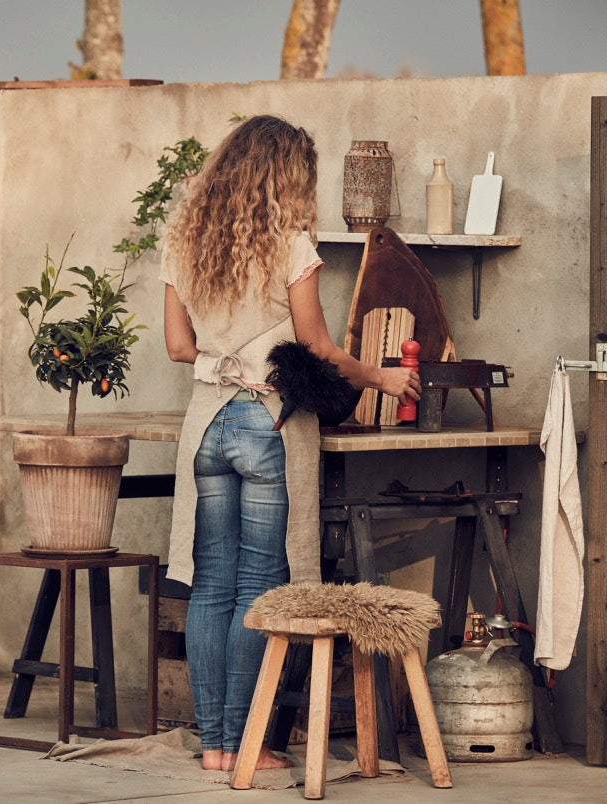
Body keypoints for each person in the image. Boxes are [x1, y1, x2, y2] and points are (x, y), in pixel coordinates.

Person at [160, 115, 420, 772]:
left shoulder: (181, 241)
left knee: (210, 587)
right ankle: (250, 744)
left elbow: (178, 348)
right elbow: (319, 349)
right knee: (259, 585)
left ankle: (216, 747)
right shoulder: (290, 246)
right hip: (266, 424)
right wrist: (384, 378)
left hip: (205, 422)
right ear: (283, 176)